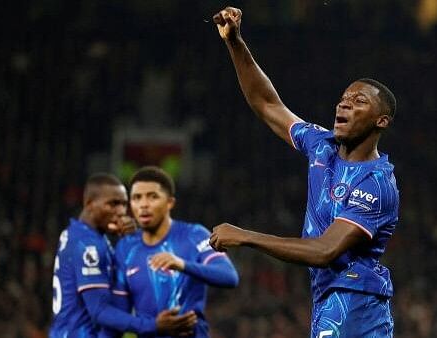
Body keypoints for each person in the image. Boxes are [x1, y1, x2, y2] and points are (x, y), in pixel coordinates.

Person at [209, 7, 399, 338]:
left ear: (381, 121)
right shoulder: (321, 145)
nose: (344, 105)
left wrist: (246, 236)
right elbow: (268, 105)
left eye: (358, 102)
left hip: (355, 304)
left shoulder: (377, 184)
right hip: (329, 300)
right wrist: (236, 43)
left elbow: (324, 251)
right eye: (343, 99)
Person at [50, 173, 197, 338]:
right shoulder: (88, 246)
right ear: (89, 204)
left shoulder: (77, 233)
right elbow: (99, 311)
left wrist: (130, 239)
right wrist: (153, 325)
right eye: (112, 204)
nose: (121, 211)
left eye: (123, 204)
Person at [108, 166, 239, 338]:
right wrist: (154, 326)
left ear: (170, 202)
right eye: (136, 198)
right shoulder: (126, 247)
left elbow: (229, 277)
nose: (144, 204)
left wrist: (182, 265)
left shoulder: (194, 235)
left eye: (152, 196)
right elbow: (119, 313)